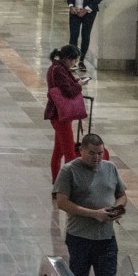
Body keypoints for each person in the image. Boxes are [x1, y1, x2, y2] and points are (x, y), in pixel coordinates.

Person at [55, 133, 126, 276]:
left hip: (106, 238)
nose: (97, 158)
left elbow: (121, 195)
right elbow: (62, 203)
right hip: (80, 238)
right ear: (81, 150)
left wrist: (117, 210)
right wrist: (94, 214)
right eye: (92, 153)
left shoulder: (110, 168)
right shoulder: (69, 170)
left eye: (100, 153)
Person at [45, 45, 84, 183]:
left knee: (58, 151)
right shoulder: (59, 71)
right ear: (67, 58)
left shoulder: (56, 68)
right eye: (74, 61)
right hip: (61, 116)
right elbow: (68, 91)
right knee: (69, 153)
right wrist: (79, 85)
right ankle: (68, 186)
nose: (74, 64)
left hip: (57, 115)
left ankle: (57, 183)